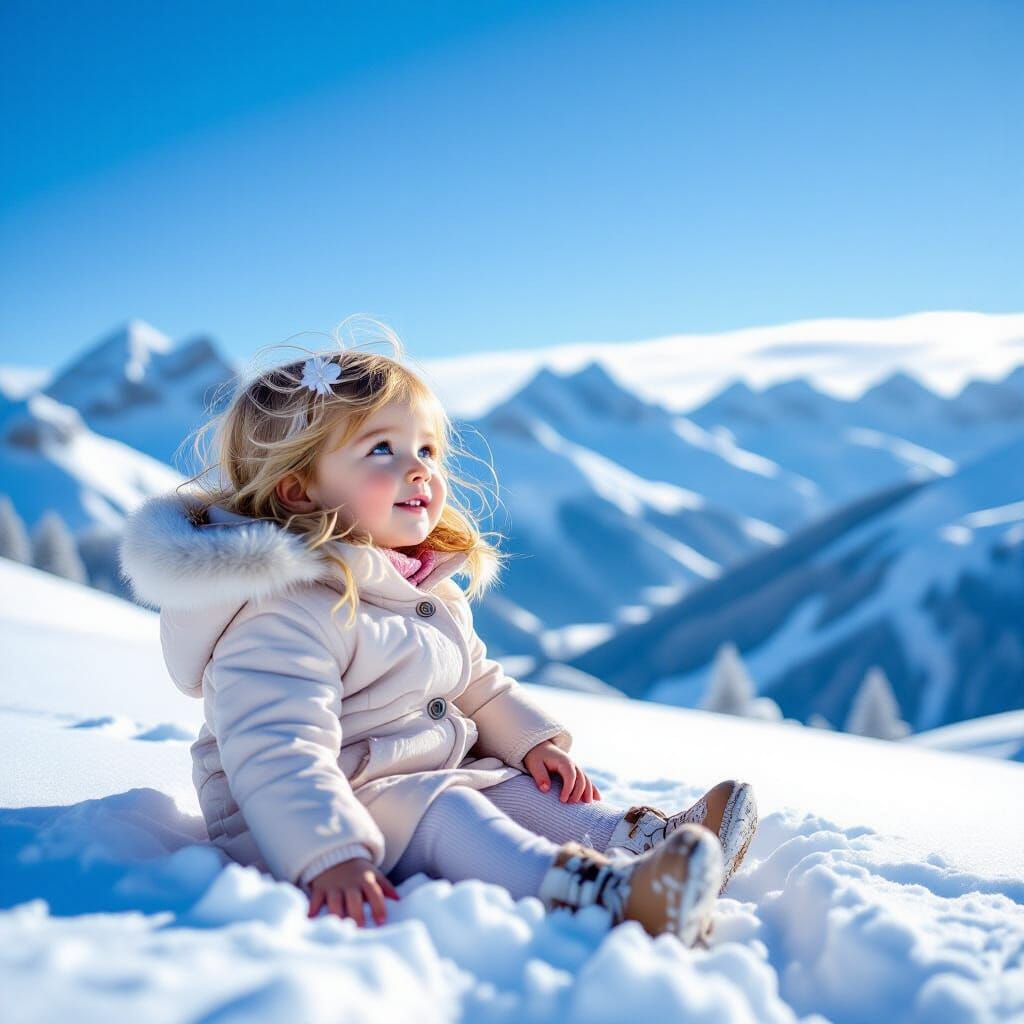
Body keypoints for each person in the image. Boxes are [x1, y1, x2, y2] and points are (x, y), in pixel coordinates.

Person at [119, 325, 758, 947]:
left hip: (412, 775)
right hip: (294, 820)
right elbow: (276, 749)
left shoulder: (417, 582)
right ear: (300, 490)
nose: (419, 470)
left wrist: (529, 740)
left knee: (512, 786)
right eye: (382, 451)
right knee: (451, 812)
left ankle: (642, 841)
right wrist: (326, 850)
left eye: (426, 450)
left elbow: (475, 681)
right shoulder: (281, 613)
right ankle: (603, 895)